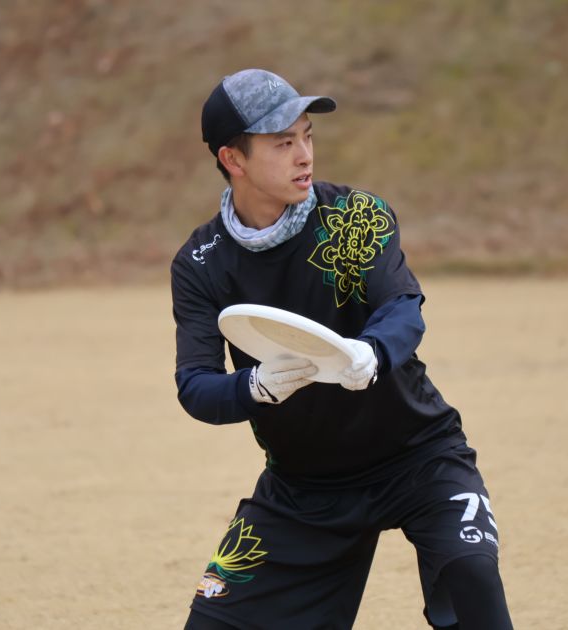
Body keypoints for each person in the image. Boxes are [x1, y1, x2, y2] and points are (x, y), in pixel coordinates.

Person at [172, 68, 514, 630]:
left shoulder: (354, 216)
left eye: (307, 136)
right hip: (303, 485)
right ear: (233, 159)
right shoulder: (201, 263)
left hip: (419, 457)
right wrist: (254, 387)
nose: (304, 154)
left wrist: (372, 353)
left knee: (471, 578)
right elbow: (196, 386)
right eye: (283, 143)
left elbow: (403, 307)